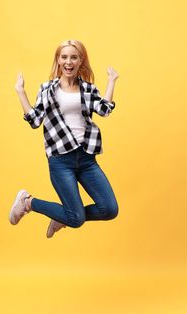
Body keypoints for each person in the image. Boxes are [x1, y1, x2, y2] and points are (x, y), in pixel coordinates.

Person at [9, 39, 119, 238]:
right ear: (58, 61)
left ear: (80, 61)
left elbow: (104, 110)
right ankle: (28, 202)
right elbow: (35, 121)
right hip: (61, 161)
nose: (69, 61)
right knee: (76, 219)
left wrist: (111, 81)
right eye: (64, 57)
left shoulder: (88, 89)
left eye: (74, 57)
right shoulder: (48, 89)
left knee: (110, 209)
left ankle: (63, 216)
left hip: (86, 158)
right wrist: (21, 92)